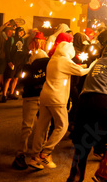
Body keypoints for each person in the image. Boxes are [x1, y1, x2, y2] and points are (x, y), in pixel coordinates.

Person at [64, 37, 107, 182]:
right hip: (100, 100)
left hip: (84, 101)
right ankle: (104, 174)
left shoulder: (98, 61)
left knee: (83, 144)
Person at [28, 33, 93, 170]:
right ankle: (45, 153)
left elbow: (74, 68)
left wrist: (83, 65)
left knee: (41, 127)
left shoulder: (54, 59)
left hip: (45, 95)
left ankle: (34, 156)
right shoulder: (64, 60)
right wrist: (93, 65)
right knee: (62, 125)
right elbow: (80, 72)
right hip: (56, 98)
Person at [11, 32, 49, 170]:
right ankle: (21, 155)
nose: (40, 43)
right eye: (37, 41)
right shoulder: (28, 57)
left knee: (42, 125)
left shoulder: (46, 57)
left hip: (41, 96)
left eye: (41, 41)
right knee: (28, 126)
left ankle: (37, 154)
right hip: (32, 96)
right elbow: (23, 77)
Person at [2, 26, 28, 102]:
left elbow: (24, 50)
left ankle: (11, 93)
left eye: (22, 32)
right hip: (12, 61)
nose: (21, 33)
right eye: (20, 31)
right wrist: (9, 61)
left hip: (20, 62)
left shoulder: (23, 40)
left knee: (16, 78)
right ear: (16, 32)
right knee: (8, 78)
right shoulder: (11, 39)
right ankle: (4, 95)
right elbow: (7, 51)